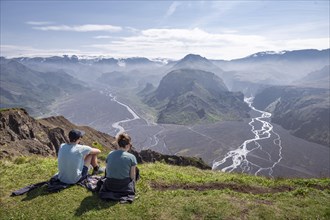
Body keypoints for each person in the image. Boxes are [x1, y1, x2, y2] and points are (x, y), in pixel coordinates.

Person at [99, 132, 138, 203]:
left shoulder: (110, 154)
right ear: (128, 145)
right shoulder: (132, 157)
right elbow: (132, 176)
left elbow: (107, 171)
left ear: (118, 144)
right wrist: (132, 185)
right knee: (136, 170)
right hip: (123, 187)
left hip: (109, 185)